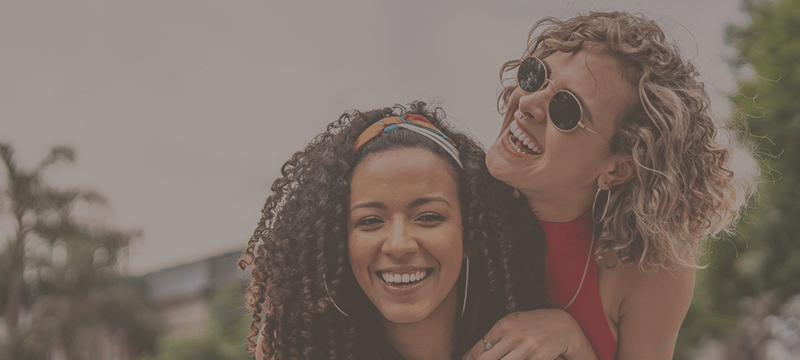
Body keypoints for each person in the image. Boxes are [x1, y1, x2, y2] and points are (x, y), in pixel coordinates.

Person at [465, 12, 753, 360]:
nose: (527, 103)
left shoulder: (648, 265)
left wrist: (571, 339)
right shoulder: (440, 211)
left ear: (618, 169)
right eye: (535, 76)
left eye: (566, 110)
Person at [241, 102, 552, 359]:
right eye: (369, 221)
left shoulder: (541, 346)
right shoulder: (296, 352)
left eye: (428, 217)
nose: (398, 245)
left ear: (469, 233)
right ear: (342, 242)